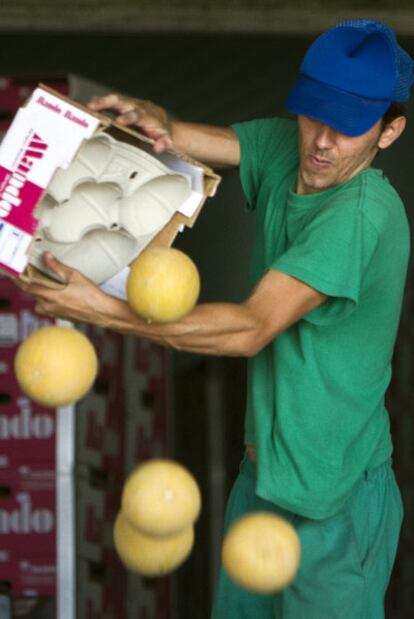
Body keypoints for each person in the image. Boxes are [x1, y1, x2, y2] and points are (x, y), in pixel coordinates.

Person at [21, 19, 412, 619]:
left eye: (349, 127)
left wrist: (101, 310)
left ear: (389, 132)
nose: (322, 142)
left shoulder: (361, 216)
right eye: (314, 114)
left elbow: (251, 326)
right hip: (263, 481)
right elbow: (188, 139)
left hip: (336, 499)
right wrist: (153, 119)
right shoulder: (292, 147)